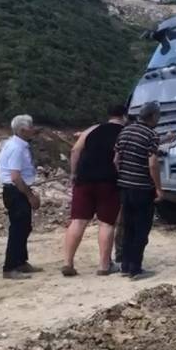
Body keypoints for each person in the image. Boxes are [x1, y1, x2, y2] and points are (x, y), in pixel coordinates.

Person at [61, 104, 127, 277]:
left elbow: (75, 150)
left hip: (85, 179)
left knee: (78, 221)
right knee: (106, 223)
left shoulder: (92, 129)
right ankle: (104, 266)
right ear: (125, 116)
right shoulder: (126, 132)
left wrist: (74, 173)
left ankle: (68, 263)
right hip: (108, 181)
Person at [114, 102, 163, 280]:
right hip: (142, 189)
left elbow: (116, 159)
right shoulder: (152, 135)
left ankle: (125, 266)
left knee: (128, 227)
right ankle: (136, 268)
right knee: (141, 229)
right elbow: (152, 164)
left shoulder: (125, 131)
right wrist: (158, 188)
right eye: (158, 116)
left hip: (125, 187)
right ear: (153, 116)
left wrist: (124, 177)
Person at [0, 115, 42, 280]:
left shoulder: (18, 145)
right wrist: (30, 196)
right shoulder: (16, 148)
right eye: (31, 127)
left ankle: (21, 261)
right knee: (17, 229)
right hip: (15, 191)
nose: (34, 129)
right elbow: (15, 176)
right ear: (23, 130)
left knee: (24, 227)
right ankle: (9, 267)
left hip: (18, 189)